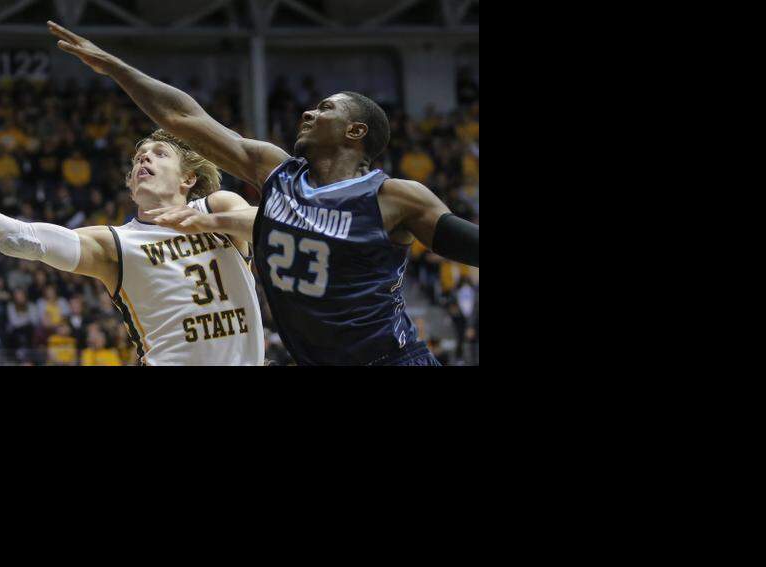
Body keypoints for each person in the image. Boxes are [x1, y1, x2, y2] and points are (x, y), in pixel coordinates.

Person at [50, 21, 479, 366]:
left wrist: (215, 220)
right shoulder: (275, 172)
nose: (309, 111)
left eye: (327, 108)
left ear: (356, 131)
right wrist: (116, 68)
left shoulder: (396, 198)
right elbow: (184, 118)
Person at [0, 129, 265, 366]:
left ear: (188, 179)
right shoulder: (116, 244)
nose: (144, 160)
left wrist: (207, 222)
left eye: (159, 154)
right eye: (139, 156)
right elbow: (21, 238)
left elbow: (270, 225)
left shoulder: (220, 207)